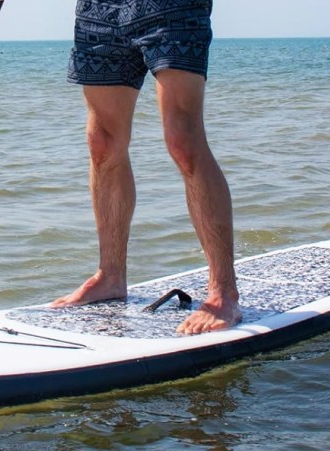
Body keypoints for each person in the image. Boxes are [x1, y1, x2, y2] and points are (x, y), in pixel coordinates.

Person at [51, 0, 242, 334]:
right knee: (102, 142)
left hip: (171, 8)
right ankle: (110, 277)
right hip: (100, 10)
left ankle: (223, 292)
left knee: (182, 139)